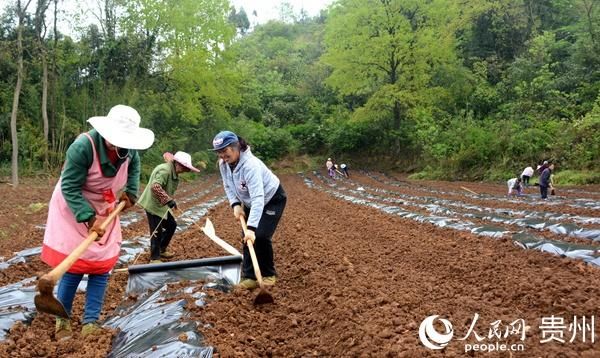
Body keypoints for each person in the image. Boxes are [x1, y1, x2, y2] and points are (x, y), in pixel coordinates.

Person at [40, 105, 154, 340]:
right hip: (74, 206)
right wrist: (90, 218)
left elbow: (134, 166)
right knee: (75, 265)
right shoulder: (83, 147)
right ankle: (63, 320)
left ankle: (90, 322)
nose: (119, 144)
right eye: (115, 139)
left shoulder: (129, 150)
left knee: (101, 265)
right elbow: (69, 186)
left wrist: (131, 192)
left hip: (105, 206)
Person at [212, 131, 287, 290]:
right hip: (249, 201)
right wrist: (235, 204)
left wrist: (252, 228)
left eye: (225, 151)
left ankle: (268, 275)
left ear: (236, 147)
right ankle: (250, 277)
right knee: (246, 237)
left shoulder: (250, 165)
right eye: (219, 153)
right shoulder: (223, 164)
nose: (222, 156)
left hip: (271, 199)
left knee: (260, 236)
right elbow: (227, 185)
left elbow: (258, 197)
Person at [137, 151, 200, 263]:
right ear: (177, 164)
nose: (184, 170)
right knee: (157, 231)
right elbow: (155, 187)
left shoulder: (172, 171)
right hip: (153, 205)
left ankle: (161, 249)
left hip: (161, 206)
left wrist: (170, 201)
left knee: (172, 225)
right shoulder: (165, 171)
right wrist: (168, 200)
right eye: (184, 167)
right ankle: (154, 258)